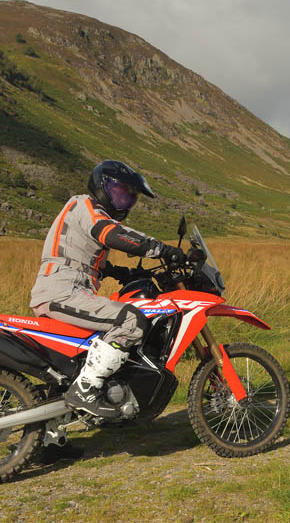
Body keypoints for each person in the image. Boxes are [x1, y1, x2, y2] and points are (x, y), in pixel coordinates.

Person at [30, 160, 184, 418]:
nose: (125, 201)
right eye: (121, 193)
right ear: (103, 186)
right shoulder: (85, 205)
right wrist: (160, 249)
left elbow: (84, 257)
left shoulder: (88, 211)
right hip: (62, 291)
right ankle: (86, 388)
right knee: (131, 320)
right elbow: (110, 233)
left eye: (130, 198)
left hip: (70, 287)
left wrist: (120, 272)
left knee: (80, 357)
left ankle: (53, 437)